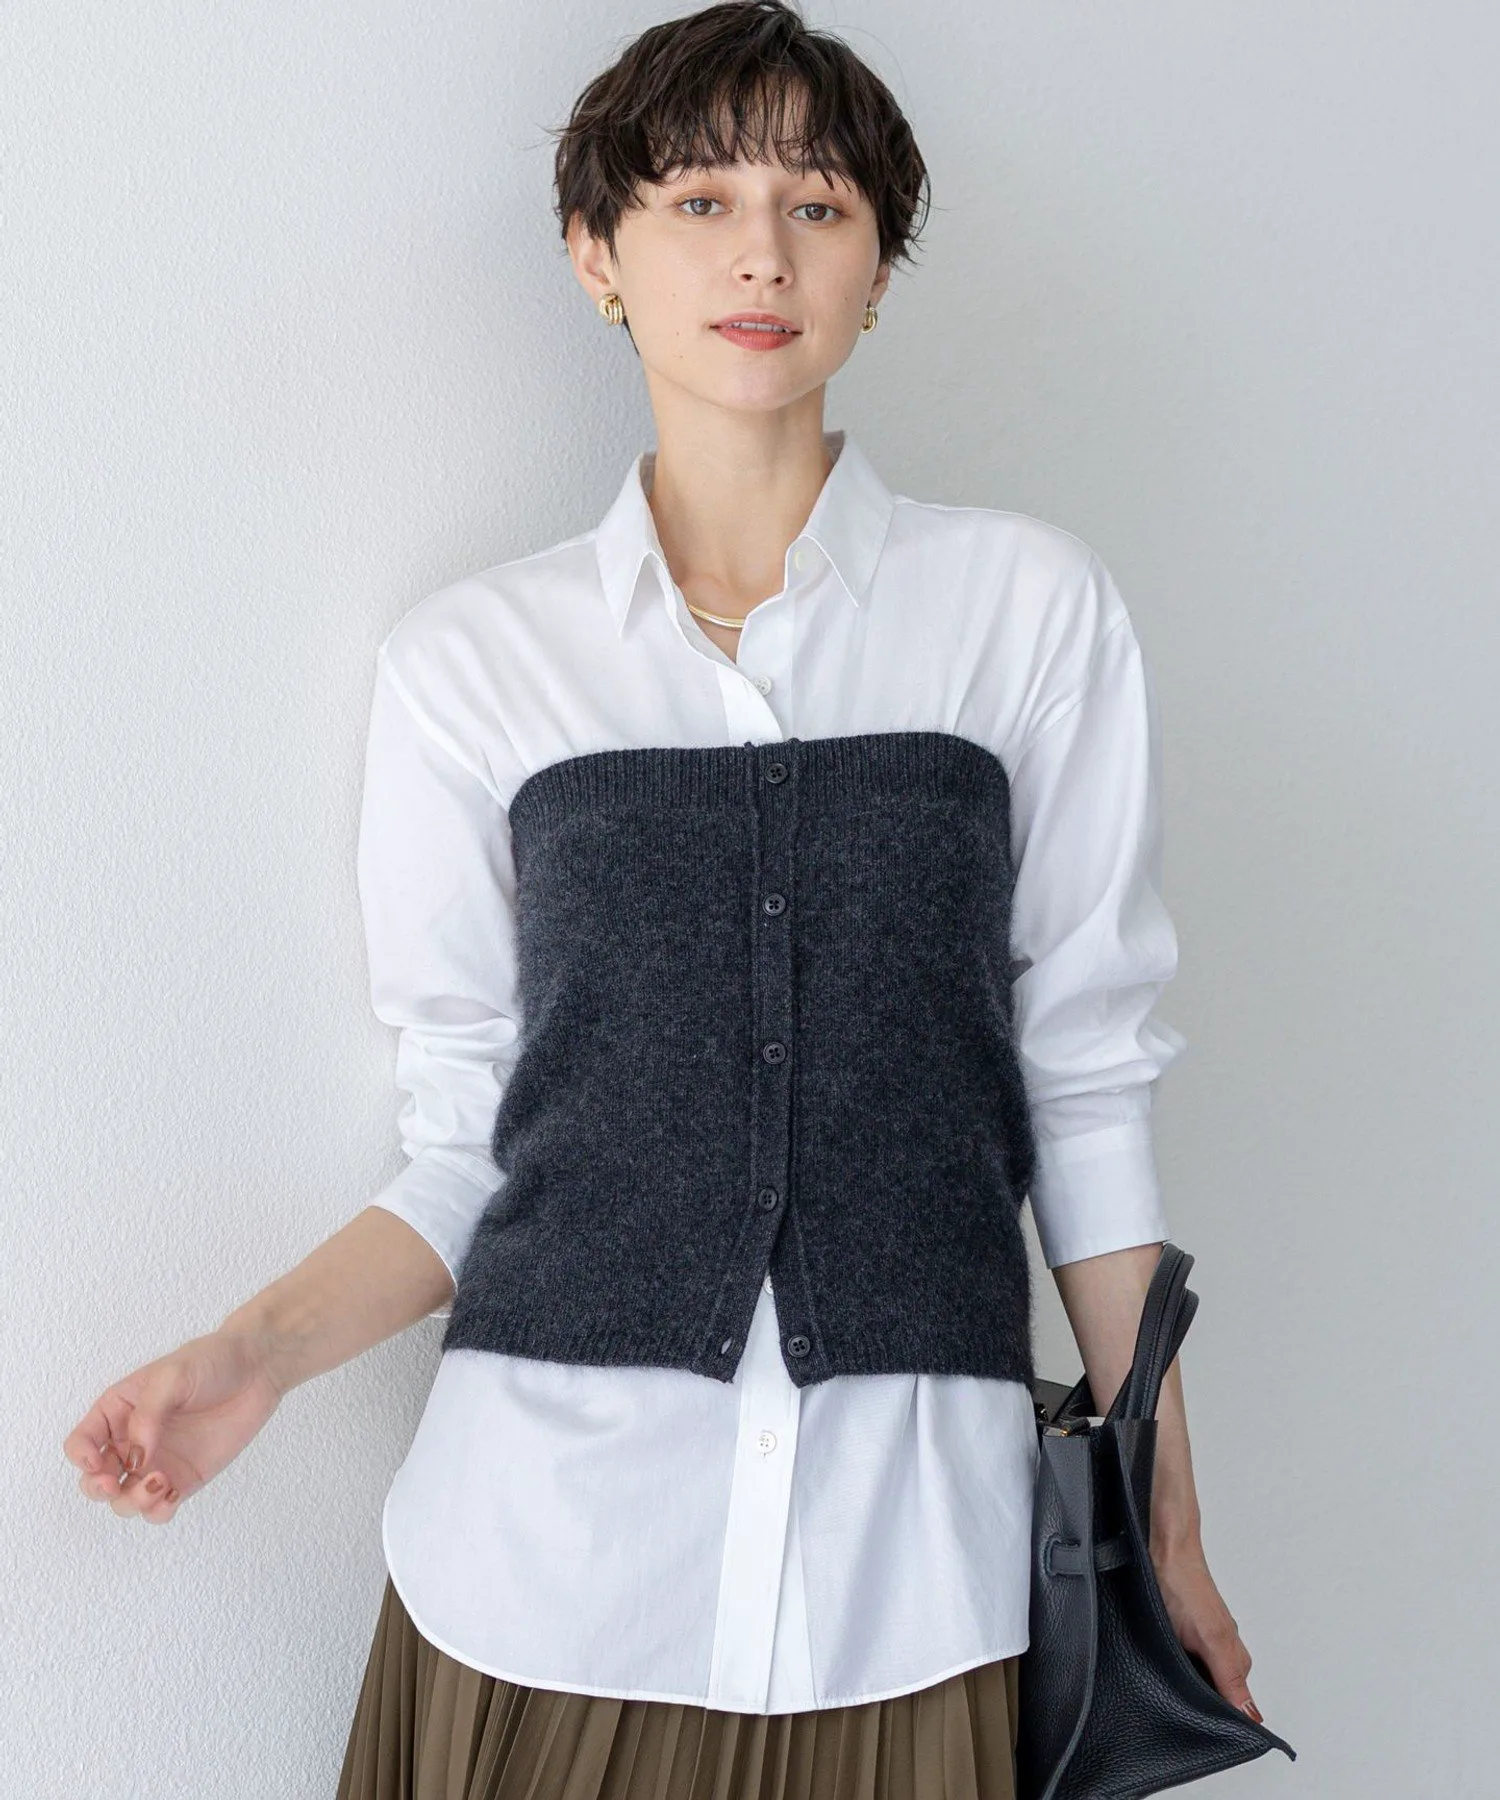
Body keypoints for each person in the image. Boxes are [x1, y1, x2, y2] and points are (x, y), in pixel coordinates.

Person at [62, 3, 1263, 1795]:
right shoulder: (474, 665)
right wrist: (251, 1357)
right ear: (595, 254)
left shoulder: (1028, 617)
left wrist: (1170, 1526)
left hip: (912, 1592)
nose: (760, 253)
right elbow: (471, 1139)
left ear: (877, 267)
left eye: (818, 205)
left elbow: (1084, 1093)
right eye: (700, 201)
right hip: (538, 1583)